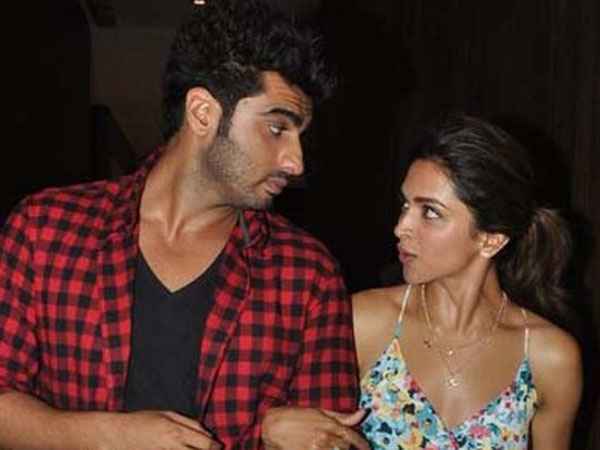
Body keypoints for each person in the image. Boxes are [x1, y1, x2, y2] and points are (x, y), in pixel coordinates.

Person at [0, 1, 370, 448]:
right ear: (202, 113)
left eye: (300, 137)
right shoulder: (46, 229)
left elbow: (334, 440)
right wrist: (111, 437)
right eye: (276, 129)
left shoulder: (308, 273)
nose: (296, 162)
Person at [353, 114, 582, 449]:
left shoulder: (549, 357)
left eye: (430, 212)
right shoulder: (364, 322)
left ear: (491, 239)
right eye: (405, 205)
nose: (401, 227)